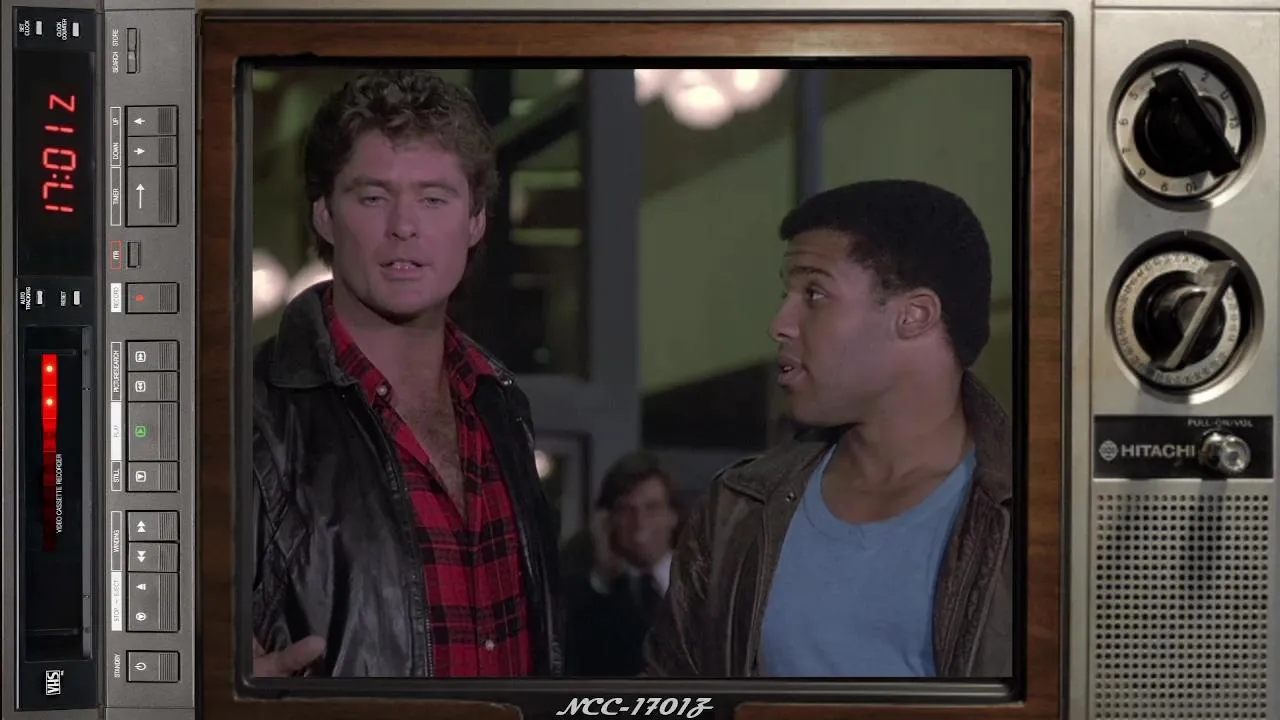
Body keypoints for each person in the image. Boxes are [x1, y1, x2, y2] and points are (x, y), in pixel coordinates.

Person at [249, 69, 562, 678]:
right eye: (373, 197)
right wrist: (203, 683)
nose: (404, 225)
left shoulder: (501, 403)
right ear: (324, 215)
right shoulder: (247, 413)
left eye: (433, 198)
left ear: (475, 221)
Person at [644, 179, 1012, 678]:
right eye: (787, 294)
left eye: (814, 293)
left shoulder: (1044, 514)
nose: (780, 323)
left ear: (914, 316)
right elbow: (671, 693)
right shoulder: (739, 510)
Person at [565, 452, 680, 676]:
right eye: (627, 510)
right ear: (608, 520)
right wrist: (605, 578)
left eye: (652, 508)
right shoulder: (588, 595)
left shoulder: (701, 584)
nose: (640, 522)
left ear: (673, 515)